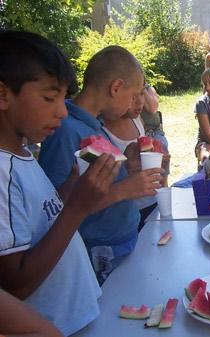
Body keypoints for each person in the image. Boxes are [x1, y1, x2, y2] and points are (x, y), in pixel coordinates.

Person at [0, 30, 120, 336]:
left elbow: (42, 217)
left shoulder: (22, 153)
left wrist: (70, 189)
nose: (63, 111)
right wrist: (78, 208)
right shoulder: (3, 170)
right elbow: (17, 284)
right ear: (3, 95)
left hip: (81, 316)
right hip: (57, 328)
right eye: (49, 97)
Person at [38, 46, 163, 284]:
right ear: (116, 88)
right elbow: (54, 211)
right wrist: (125, 188)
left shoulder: (93, 126)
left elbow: (95, 180)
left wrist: (128, 164)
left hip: (120, 244)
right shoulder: (65, 132)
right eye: (133, 95)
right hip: (98, 255)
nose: (133, 105)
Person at [102, 83, 168, 230]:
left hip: (152, 200)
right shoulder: (102, 131)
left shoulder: (137, 120)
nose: (139, 102)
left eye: (141, 94)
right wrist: (125, 168)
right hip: (129, 212)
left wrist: (160, 161)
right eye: (133, 97)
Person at [140, 85, 169, 152]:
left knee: (162, 148)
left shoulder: (149, 89)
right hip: (137, 134)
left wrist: (142, 89)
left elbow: (152, 109)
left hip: (154, 131)